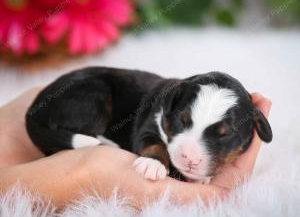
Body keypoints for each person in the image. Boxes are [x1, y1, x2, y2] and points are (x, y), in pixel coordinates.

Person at [0, 88, 272, 208]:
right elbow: (148, 136)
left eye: (221, 137)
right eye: (182, 124)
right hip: (77, 101)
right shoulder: (157, 115)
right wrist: (85, 171)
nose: (191, 154)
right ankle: (63, 134)